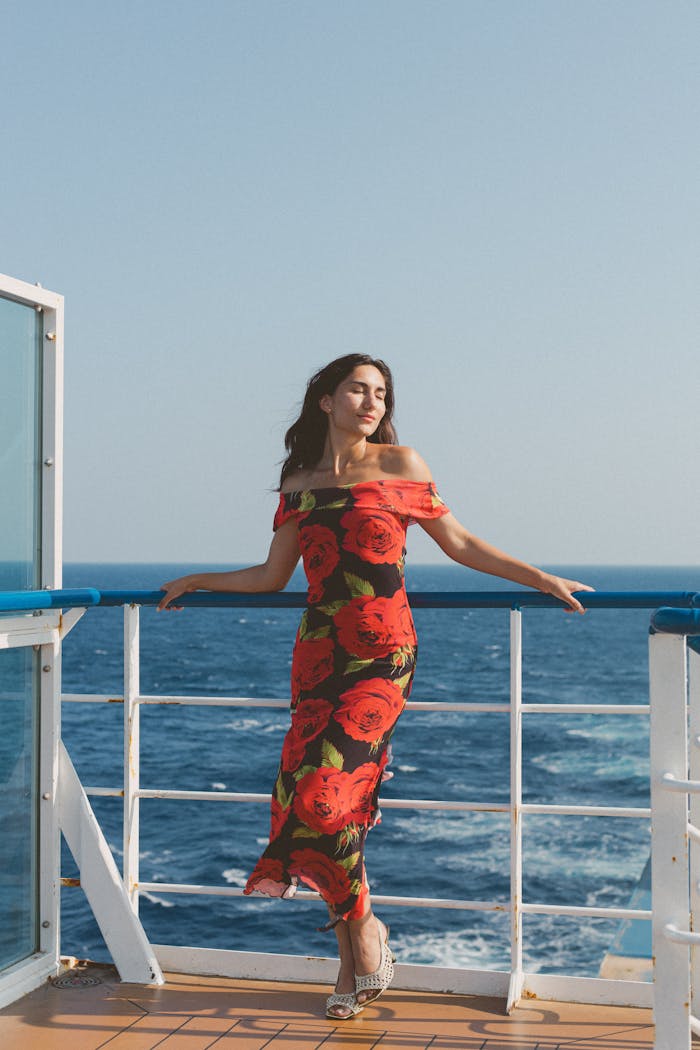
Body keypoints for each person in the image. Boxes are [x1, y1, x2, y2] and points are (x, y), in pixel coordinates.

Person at [158, 353, 593, 1020]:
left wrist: (542, 579)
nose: (372, 403)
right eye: (358, 390)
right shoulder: (298, 479)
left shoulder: (401, 466)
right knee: (306, 801)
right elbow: (274, 577)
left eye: (381, 394)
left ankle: (364, 932)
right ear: (326, 400)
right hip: (317, 655)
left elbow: (461, 543)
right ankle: (353, 956)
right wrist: (199, 580)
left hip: (383, 654)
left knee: (328, 802)